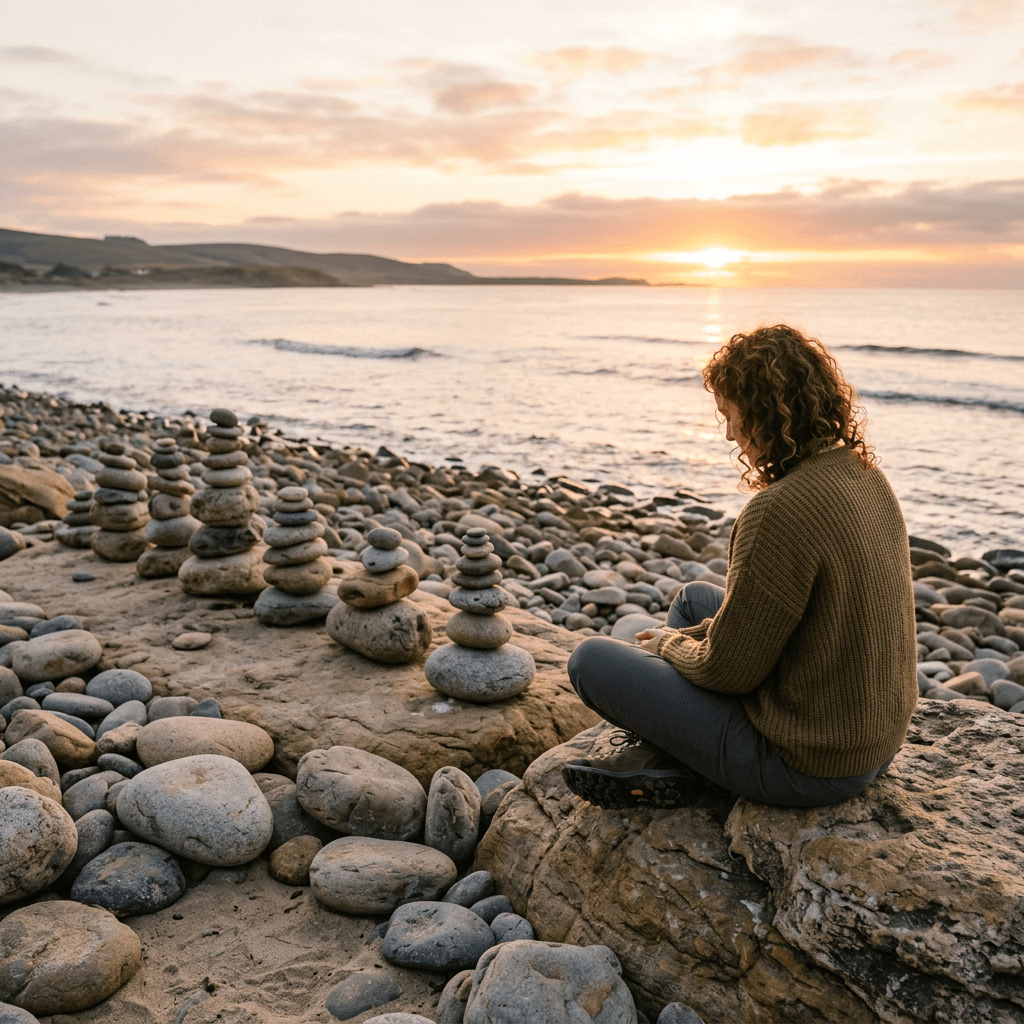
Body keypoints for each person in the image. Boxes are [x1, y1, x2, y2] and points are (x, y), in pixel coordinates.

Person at [561, 324, 918, 810]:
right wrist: (698, 636)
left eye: (732, 415)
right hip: (873, 741)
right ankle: (677, 750)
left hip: (807, 765)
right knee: (694, 599)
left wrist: (671, 645)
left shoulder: (778, 510)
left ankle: (682, 759)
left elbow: (728, 673)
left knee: (591, 661)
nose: (729, 432)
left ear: (768, 414)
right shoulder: (865, 474)